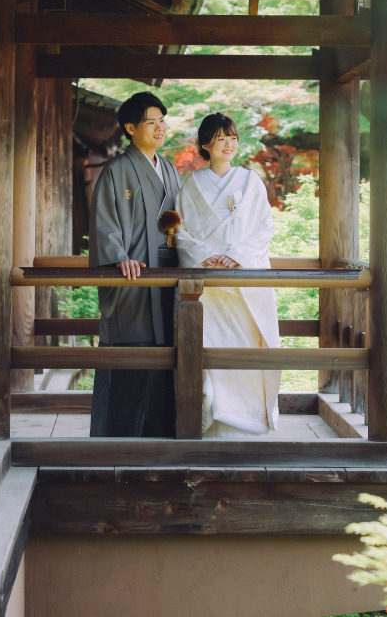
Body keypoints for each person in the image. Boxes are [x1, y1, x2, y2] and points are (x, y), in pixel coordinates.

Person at [175, 112, 280, 438]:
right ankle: (213, 424)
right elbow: (181, 232)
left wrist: (234, 256)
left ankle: (249, 425)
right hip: (207, 288)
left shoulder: (250, 182)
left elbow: (264, 228)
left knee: (247, 352)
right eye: (221, 138)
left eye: (232, 137)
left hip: (242, 284)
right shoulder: (191, 186)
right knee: (210, 356)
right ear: (206, 144)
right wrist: (206, 256)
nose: (229, 144)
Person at [88, 91, 181, 437]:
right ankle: (117, 439)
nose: (160, 128)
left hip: (168, 278)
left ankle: (164, 437)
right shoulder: (117, 170)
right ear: (130, 127)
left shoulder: (169, 169)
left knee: (170, 354)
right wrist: (119, 258)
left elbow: (180, 224)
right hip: (132, 281)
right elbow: (105, 223)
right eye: (151, 122)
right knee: (131, 352)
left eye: (162, 121)